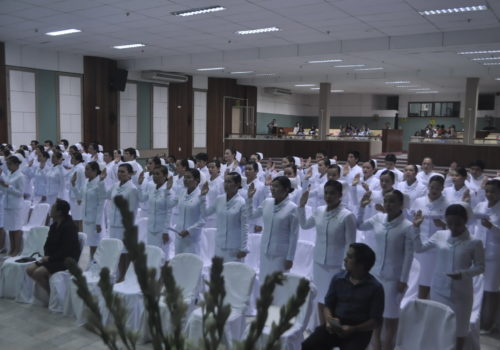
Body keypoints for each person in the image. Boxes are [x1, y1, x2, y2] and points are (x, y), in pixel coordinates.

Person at [413, 204, 484, 350]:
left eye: (457, 223)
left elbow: (480, 267)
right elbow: (419, 248)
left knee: (460, 329)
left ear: (465, 221)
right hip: (439, 289)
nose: (453, 227)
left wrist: (464, 274)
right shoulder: (440, 235)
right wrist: (416, 228)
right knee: (438, 325)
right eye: (450, 223)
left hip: (461, 292)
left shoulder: (474, 242)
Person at [357, 190, 413, 350]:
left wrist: (403, 280)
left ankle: (388, 345)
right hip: (375, 274)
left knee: (390, 315)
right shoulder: (377, 219)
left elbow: (409, 256)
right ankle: (376, 345)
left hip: (394, 277)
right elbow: (359, 225)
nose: (388, 205)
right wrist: (361, 207)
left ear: (401, 204)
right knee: (375, 314)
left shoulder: (407, 226)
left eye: (392, 201)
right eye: (386, 201)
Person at [302, 243, 384, 350]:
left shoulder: (375, 288)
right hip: (336, 326)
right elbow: (328, 305)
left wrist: (354, 329)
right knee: (308, 345)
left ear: (361, 264)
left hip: (358, 332)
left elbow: (375, 321)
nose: (345, 259)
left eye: (349, 257)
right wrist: (329, 319)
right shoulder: (338, 279)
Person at [298, 180, 356, 325]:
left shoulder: (346, 215)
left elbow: (351, 244)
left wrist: (346, 267)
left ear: (340, 195)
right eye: (326, 192)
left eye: (332, 193)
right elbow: (304, 225)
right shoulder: (319, 211)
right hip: (319, 262)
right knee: (320, 297)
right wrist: (301, 206)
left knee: (333, 300)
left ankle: (333, 330)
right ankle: (322, 329)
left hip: (336, 265)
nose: (328, 196)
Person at [247, 176, 299, 281]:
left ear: (286, 189)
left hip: (281, 254)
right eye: (272, 186)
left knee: (278, 284)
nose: (273, 189)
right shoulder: (267, 202)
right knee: (264, 280)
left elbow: (294, 236)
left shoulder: (292, 208)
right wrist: (249, 199)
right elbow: (251, 215)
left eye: (276, 186)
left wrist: (290, 258)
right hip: (265, 250)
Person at [26, 199, 80, 295]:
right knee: (30, 269)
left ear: (59, 212)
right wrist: (46, 257)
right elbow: (48, 244)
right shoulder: (54, 225)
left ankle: (52, 295)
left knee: (38, 273)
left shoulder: (69, 227)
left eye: (53, 208)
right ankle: (51, 293)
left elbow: (66, 250)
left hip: (66, 259)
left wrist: (50, 258)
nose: (50, 210)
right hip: (54, 258)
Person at [409, 175, 449, 299]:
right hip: (419, 243)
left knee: (430, 279)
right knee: (417, 277)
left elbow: (451, 228)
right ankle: (415, 302)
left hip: (436, 247)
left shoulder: (447, 204)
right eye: (432, 187)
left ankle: (428, 303)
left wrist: (443, 225)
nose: (434, 190)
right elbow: (412, 220)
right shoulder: (419, 201)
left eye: (437, 188)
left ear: (442, 188)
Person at [201, 172, 248, 262]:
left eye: (229, 182)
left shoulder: (242, 202)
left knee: (232, 273)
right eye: (225, 182)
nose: (226, 185)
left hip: (234, 246)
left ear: (238, 184)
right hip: (220, 244)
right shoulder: (219, 199)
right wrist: (203, 197)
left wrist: (244, 248)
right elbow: (205, 213)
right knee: (219, 272)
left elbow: (244, 227)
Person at [103, 163, 139, 282]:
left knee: (126, 252)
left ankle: (125, 276)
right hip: (114, 224)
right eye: (119, 171)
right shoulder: (115, 185)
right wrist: (101, 181)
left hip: (124, 226)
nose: (120, 174)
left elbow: (133, 209)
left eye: (123, 172)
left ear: (129, 174)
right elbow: (106, 195)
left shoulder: (132, 189)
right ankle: (120, 274)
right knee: (118, 251)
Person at [473, 179, 500, 333]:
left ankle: (488, 323)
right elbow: (473, 225)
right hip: (479, 251)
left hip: (495, 254)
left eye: (493, 192)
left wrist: (493, 228)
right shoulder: (480, 206)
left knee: (491, 289)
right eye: (487, 191)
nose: (489, 195)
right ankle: (477, 319)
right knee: (478, 287)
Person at [71, 161, 105, 260]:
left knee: (96, 244)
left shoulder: (99, 183)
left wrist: (98, 222)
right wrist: (73, 184)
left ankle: (97, 265)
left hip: (95, 219)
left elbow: (101, 204)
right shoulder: (86, 182)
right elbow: (79, 197)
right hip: (86, 219)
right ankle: (91, 263)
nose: (85, 172)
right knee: (90, 244)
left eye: (87, 169)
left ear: (94, 171)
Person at [138, 165, 172, 261]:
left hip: (162, 229)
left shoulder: (168, 191)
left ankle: (163, 276)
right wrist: (140, 185)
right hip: (151, 227)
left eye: (158, 174)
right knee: (152, 254)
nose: (155, 176)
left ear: (165, 175)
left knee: (163, 255)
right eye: (153, 174)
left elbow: (169, 212)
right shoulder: (151, 188)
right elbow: (142, 198)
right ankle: (153, 275)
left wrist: (166, 230)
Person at [169, 168, 206, 255]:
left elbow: (204, 219)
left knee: (191, 265)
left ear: (196, 180)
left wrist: (189, 231)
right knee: (178, 262)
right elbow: (169, 204)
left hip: (192, 238)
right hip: (179, 235)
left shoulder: (201, 196)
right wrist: (167, 190)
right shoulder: (181, 192)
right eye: (184, 177)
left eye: (189, 177)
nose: (185, 180)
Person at [0, 155, 27, 256]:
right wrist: (2, 185)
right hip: (7, 204)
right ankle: (11, 248)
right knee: (10, 228)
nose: (8, 166)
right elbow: (5, 190)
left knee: (16, 229)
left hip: (16, 205)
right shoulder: (8, 174)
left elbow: (20, 193)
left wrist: (8, 186)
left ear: (16, 164)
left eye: (9, 164)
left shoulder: (20, 176)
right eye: (7, 164)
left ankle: (17, 249)